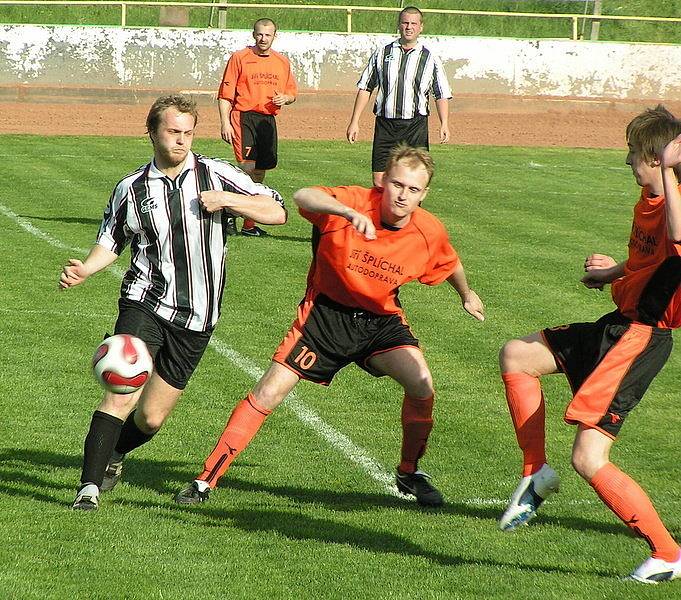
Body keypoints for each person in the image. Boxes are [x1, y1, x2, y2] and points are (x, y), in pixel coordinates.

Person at [174, 144, 484, 507]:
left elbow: (450, 262)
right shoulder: (353, 200)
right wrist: (346, 212)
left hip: (379, 321)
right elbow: (302, 196)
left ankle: (409, 472)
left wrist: (467, 294)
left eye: (413, 190)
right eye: (397, 184)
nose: (402, 195)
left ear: (424, 193)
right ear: (384, 180)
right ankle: (205, 481)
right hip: (323, 318)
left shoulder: (428, 231)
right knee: (268, 392)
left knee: (421, 384)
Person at [59, 94, 287, 511]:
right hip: (144, 301)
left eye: (187, 132)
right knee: (121, 389)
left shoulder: (215, 173)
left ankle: (115, 453)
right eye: (172, 132)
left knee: (150, 419)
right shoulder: (132, 187)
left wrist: (229, 201)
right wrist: (86, 270)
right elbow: (111, 240)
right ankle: (87, 489)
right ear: (152, 132)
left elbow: (277, 211)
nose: (181, 140)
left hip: (198, 317)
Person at [497, 105, 681, 583]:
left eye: (633, 154)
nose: (627, 162)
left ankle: (667, 554)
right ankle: (534, 473)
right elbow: (646, 260)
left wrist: (670, 168)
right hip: (616, 326)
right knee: (516, 354)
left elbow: (679, 240)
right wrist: (611, 271)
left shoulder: (675, 203)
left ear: (654, 157)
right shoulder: (648, 199)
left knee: (588, 458)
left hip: (640, 340)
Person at [346, 6, 452, 188]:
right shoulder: (382, 52)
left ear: (421, 27)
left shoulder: (430, 57)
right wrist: (354, 121)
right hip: (385, 125)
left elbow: (440, 93)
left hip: (415, 126)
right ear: (398, 25)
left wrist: (444, 123)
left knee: (414, 181)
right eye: (405, 22)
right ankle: (383, 216)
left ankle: (411, 216)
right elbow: (365, 87)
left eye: (413, 23)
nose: (409, 27)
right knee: (380, 182)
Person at [217, 17, 297, 236]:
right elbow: (225, 95)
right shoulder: (240, 58)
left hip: (267, 121)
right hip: (244, 117)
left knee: (259, 173)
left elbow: (291, 93)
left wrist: (286, 99)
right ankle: (228, 212)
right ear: (254, 35)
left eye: (268, 35)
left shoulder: (281, 62)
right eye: (260, 34)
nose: (263, 38)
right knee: (247, 168)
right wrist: (225, 122)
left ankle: (249, 225)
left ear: (274, 36)